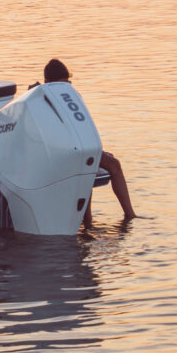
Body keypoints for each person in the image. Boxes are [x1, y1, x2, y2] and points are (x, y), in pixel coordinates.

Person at [41, 58, 135, 227]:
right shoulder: (40, 101)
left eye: (67, 83)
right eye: (61, 84)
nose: (66, 88)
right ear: (47, 82)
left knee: (113, 163)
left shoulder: (71, 97)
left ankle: (128, 216)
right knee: (87, 165)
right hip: (60, 153)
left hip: (78, 148)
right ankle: (88, 220)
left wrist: (99, 149)